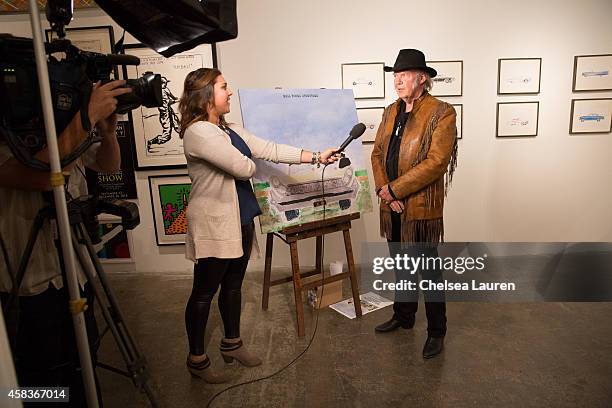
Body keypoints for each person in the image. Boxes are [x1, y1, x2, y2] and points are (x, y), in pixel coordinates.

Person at [179, 68, 339, 383]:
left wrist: (317, 157)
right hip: (215, 224)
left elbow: (270, 149)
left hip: (239, 219)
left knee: (233, 286)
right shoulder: (198, 132)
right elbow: (244, 167)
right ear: (207, 94)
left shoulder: (228, 129)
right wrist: (250, 161)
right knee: (204, 292)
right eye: (224, 87)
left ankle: (232, 344)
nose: (230, 92)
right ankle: (197, 360)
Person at [0, 80, 132, 406]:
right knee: (38, 377)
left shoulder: (62, 132)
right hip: (25, 281)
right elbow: (43, 176)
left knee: (83, 361)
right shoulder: (7, 137)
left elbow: (108, 165)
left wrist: (108, 133)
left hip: (72, 273)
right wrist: (86, 117)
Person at [371, 49, 458, 359]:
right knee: (401, 266)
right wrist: (385, 190)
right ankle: (403, 316)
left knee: (428, 272)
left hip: (419, 209)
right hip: (391, 205)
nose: (397, 80)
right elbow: (378, 154)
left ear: (422, 78)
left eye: (403, 75)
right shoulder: (390, 111)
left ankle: (437, 332)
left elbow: (436, 162)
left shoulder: (441, 112)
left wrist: (395, 190)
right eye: (395, 75)